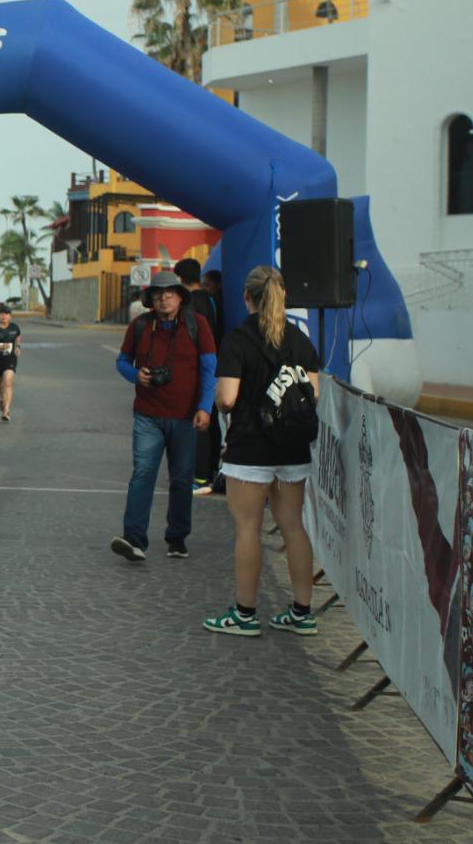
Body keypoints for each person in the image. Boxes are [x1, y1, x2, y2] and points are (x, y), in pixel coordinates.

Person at [204, 266, 322, 637]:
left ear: (246, 297)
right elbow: (313, 395)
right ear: (283, 295)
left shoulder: (237, 339)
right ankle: (302, 612)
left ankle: (245, 613)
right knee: (293, 527)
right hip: (293, 447)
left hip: (250, 448)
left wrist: (222, 405)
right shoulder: (301, 341)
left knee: (248, 528)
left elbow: (226, 398)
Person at [109, 270, 216, 562]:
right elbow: (121, 361)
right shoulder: (141, 326)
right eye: (158, 294)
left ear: (180, 297)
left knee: (181, 479)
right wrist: (136, 375)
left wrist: (205, 407)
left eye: (169, 293)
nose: (164, 298)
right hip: (148, 415)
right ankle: (134, 538)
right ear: (150, 300)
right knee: (143, 473)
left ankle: (177, 538)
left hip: (185, 416)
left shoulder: (198, 325)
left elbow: (209, 368)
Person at [176, 258, 224, 496]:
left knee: (200, 420)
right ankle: (210, 472)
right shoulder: (212, 300)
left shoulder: (190, 303)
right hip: (214, 363)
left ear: (181, 279)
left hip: (199, 366)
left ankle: (201, 477)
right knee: (211, 420)